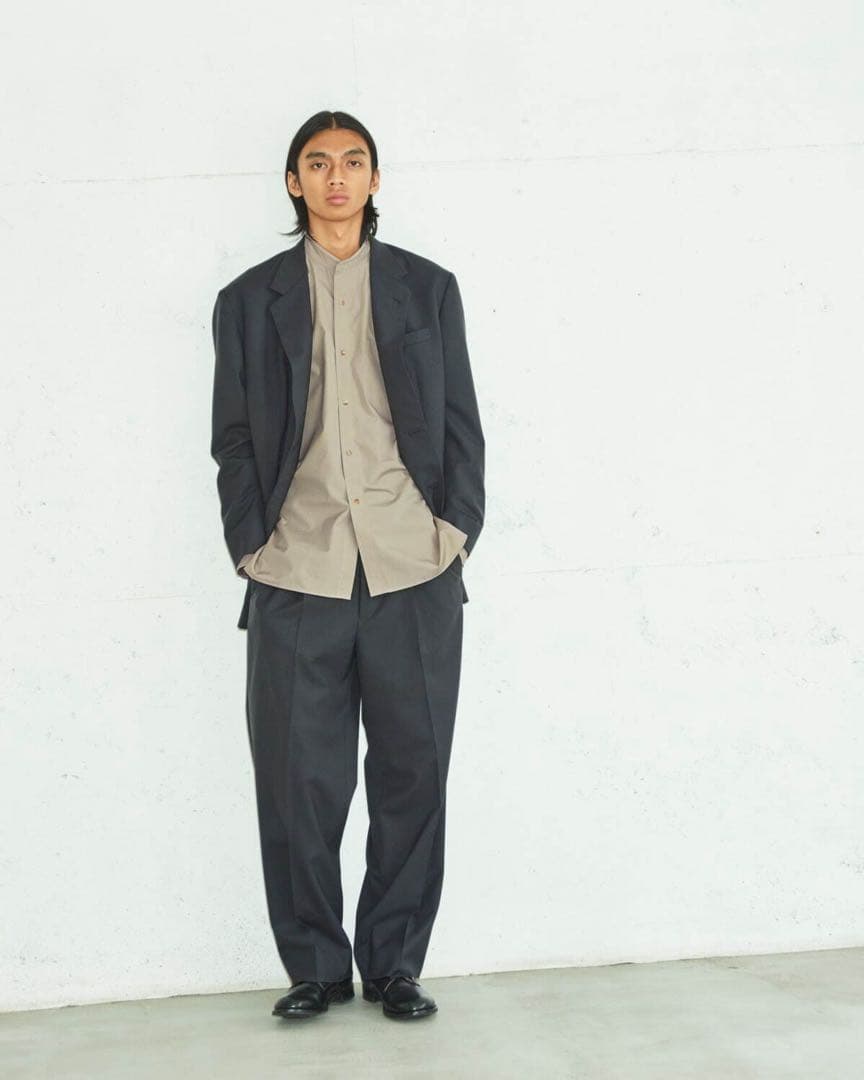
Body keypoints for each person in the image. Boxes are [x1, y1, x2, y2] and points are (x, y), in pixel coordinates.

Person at [210, 110, 485, 1021]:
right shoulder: (247, 301)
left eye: (354, 161)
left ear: (375, 178)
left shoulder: (427, 289)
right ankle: (316, 970)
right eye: (318, 162)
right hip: (297, 570)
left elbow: (460, 426)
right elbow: (234, 440)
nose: (337, 176)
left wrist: (454, 532)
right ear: (295, 182)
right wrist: (251, 545)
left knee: (414, 775)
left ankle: (395, 965)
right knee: (298, 783)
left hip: (413, 565)